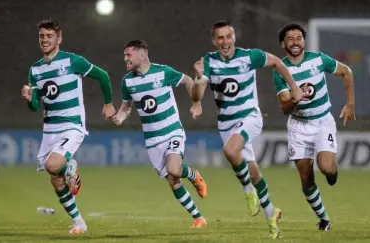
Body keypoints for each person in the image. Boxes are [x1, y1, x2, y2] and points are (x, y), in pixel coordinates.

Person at [191, 20, 304, 239]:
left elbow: (278, 64)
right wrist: (197, 82)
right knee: (253, 172)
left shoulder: (250, 56)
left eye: (228, 36)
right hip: (226, 124)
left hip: (250, 116)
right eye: (220, 38)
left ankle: (247, 190)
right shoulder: (207, 63)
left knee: (231, 152)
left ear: (234, 37)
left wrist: (294, 87)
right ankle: (272, 214)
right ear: (214, 41)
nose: (225, 41)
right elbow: (197, 95)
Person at [21, 19, 116, 235]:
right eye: (42, 36)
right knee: (55, 180)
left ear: (59, 39)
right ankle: (79, 222)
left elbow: (102, 75)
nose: (45, 40)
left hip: (72, 124)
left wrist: (108, 103)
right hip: (50, 129)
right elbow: (35, 106)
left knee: (53, 165)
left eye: (49, 36)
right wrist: (29, 97)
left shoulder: (73, 61)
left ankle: (69, 167)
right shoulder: (35, 70)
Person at [112, 40, 208, 229]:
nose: (125, 59)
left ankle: (194, 175)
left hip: (172, 131)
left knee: (174, 169)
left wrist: (196, 103)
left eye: (128, 55)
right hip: (152, 139)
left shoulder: (163, 72)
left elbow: (188, 80)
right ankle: (198, 218)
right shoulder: (127, 81)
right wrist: (121, 116)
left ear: (142, 55)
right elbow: (126, 106)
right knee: (173, 181)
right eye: (124, 55)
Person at [273, 22, 356, 231]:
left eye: (299, 38)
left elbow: (347, 71)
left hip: (322, 121)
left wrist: (350, 103)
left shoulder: (318, 59)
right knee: (306, 176)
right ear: (283, 43)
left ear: (304, 41)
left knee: (326, 167)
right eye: (290, 39)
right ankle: (324, 218)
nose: (295, 42)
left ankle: (332, 173)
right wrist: (295, 99)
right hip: (298, 126)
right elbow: (284, 107)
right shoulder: (280, 70)